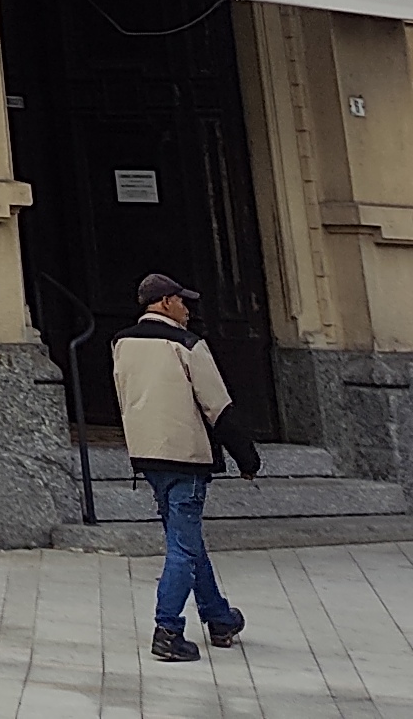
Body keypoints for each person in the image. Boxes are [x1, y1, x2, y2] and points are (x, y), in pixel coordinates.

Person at [112, 270, 259, 662]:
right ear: (165, 303)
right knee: (182, 547)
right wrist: (247, 458)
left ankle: (219, 618)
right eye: (182, 301)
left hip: (147, 454)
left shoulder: (121, 341)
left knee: (187, 540)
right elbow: (218, 407)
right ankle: (167, 630)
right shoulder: (187, 343)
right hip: (186, 457)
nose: (188, 309)